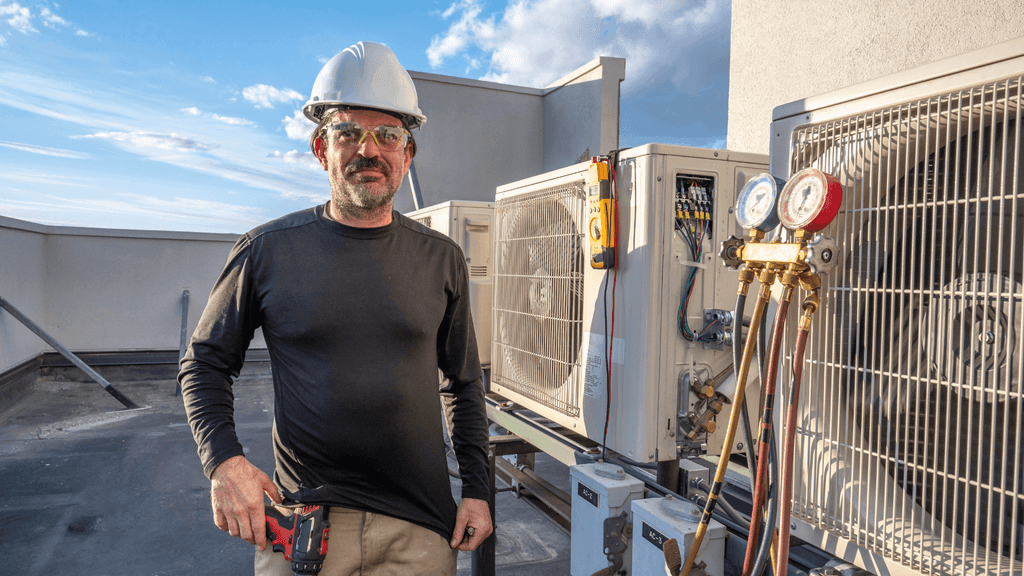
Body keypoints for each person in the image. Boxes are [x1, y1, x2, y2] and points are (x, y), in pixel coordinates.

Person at [179, 41, 492, 575]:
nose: (369, 150)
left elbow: (462, 384)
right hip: (305, 524)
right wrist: (224, 463)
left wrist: (478, 490)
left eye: (387, 136)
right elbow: (204, 362)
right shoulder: (267, 251)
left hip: (419, 529)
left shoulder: (442, 258)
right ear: (322, 150)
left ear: (407, 154)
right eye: (348, 133)